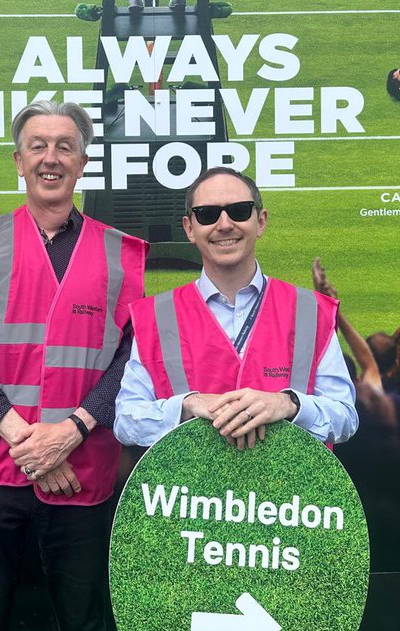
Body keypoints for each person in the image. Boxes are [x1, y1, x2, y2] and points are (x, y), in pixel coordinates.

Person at [0, 100, 148, 631]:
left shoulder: (123, 254)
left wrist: (70, 433)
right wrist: (24, 438)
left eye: (64, 145)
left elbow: (132, 361)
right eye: (38, 145)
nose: (50, 157)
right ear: (18, 160)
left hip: (80, 470)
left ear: (83, 162)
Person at [115, 166, 357, 450]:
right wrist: (186, 406)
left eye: (239, 211)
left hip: (289, 493)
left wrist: (289, 404)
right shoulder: (155, 315)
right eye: (208, 214)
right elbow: (126, 421)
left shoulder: (310, 310)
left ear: (261, 221)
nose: (225, 224)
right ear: (190, 229)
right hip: (191, 492)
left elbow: (345, 418)